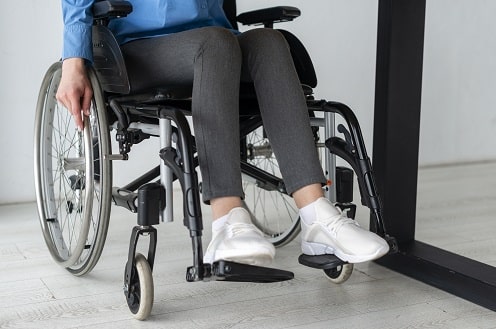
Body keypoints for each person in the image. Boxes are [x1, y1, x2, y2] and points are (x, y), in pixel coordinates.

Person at [57, 0, 389, 266]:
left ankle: (316, 217)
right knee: (216, 44)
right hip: (135, 45)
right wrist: (74, 59)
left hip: (214, 36)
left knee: (269, 41)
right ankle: (227, 218)